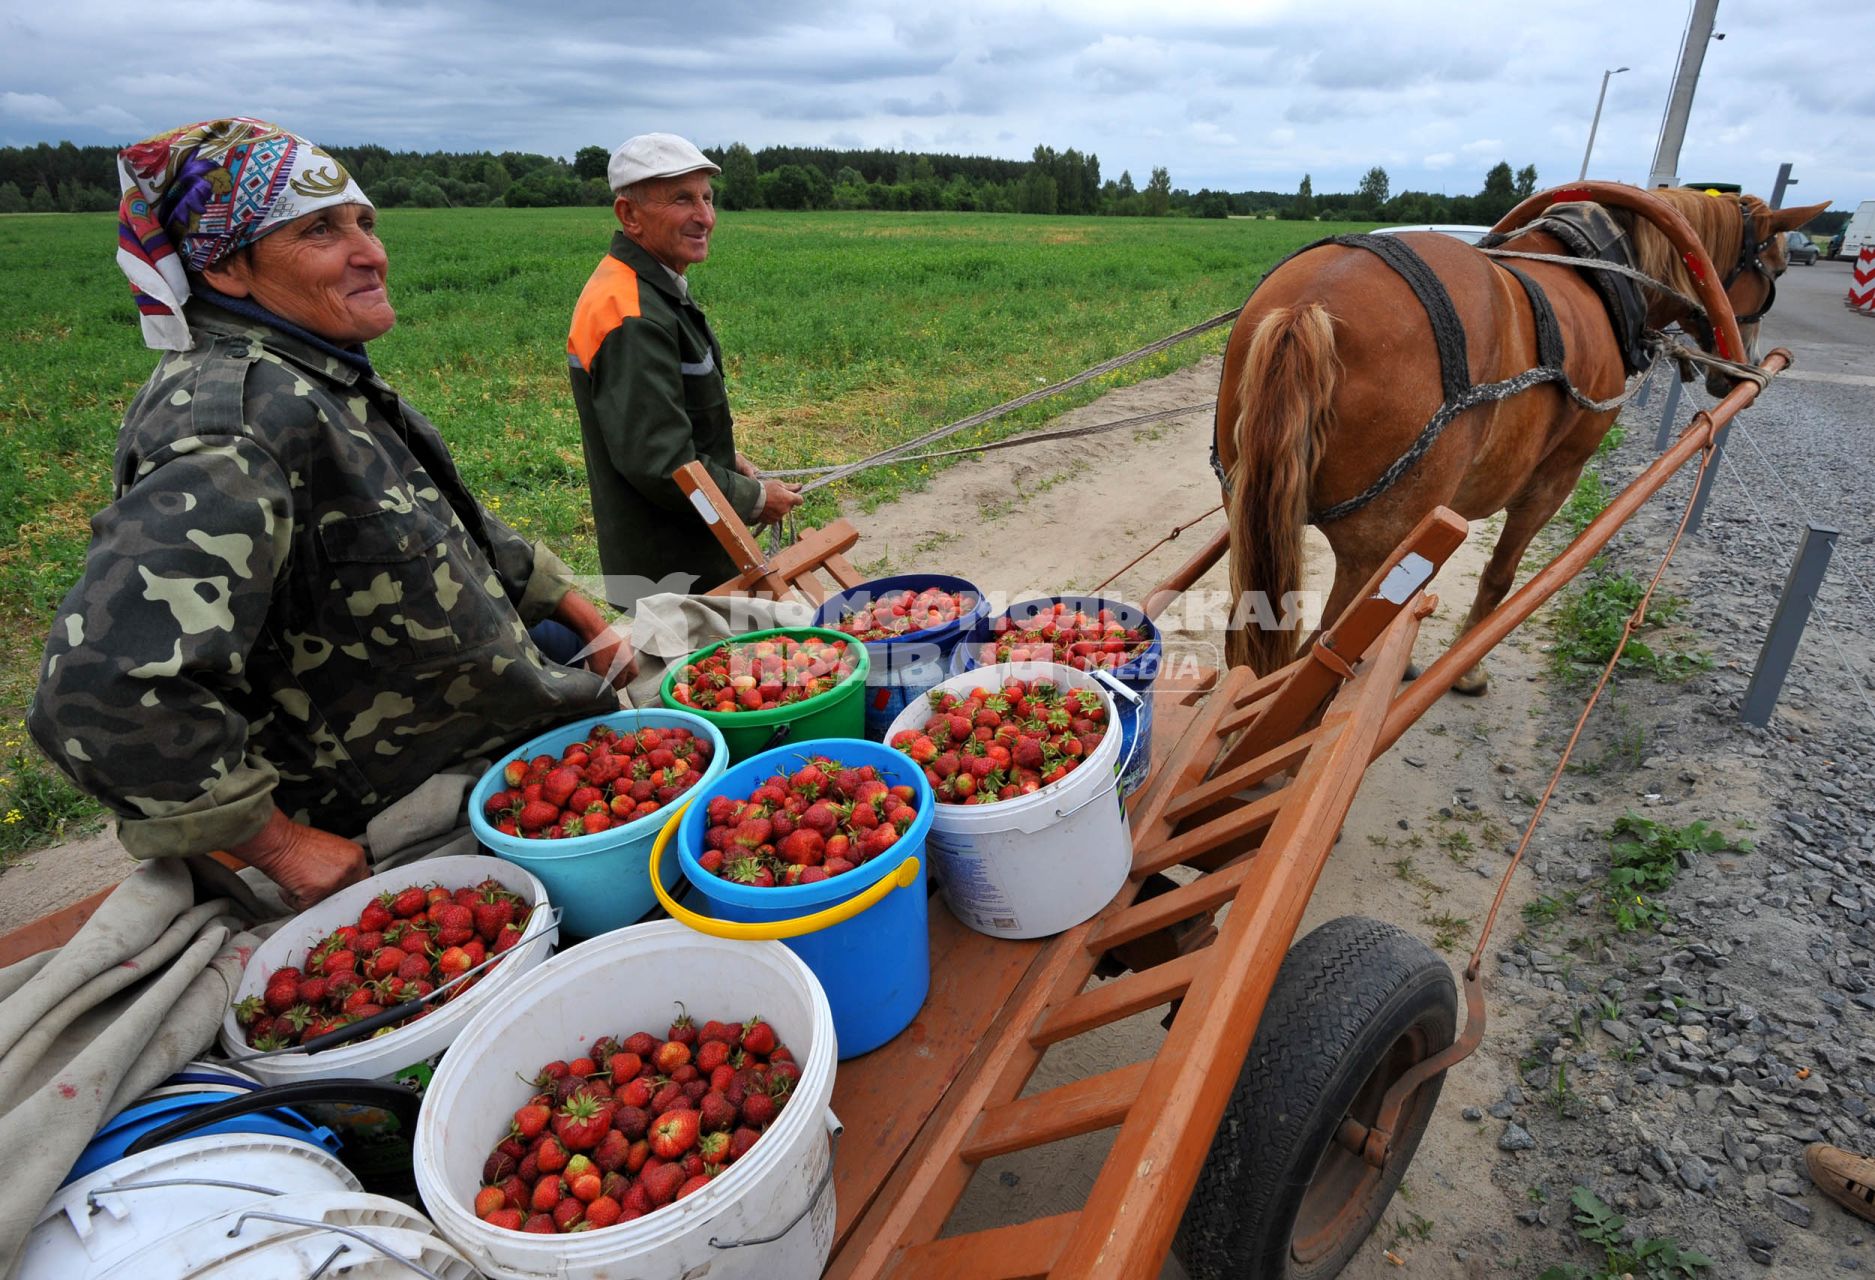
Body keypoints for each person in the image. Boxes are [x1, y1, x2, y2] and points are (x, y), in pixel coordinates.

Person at [28, 118, 633, 911]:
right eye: (320, 230)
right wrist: (278, 845)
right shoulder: (231, 428)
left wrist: (588, 620)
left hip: (501, 748)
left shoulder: (318, 375)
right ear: (229, 269)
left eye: (365, 223)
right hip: (398, 813)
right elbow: (98, 691)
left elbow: (455, 531)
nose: (371, 252)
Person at [567, 132, 801, 611]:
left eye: (708, 198)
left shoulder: (652, 288)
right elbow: (662, 464)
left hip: (687, 556)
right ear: (628, 215)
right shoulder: (631, 314)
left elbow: (664, 421)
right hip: (674, 573)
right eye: (682, 199)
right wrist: (754, 501)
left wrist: (725, 462)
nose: (705, 217)